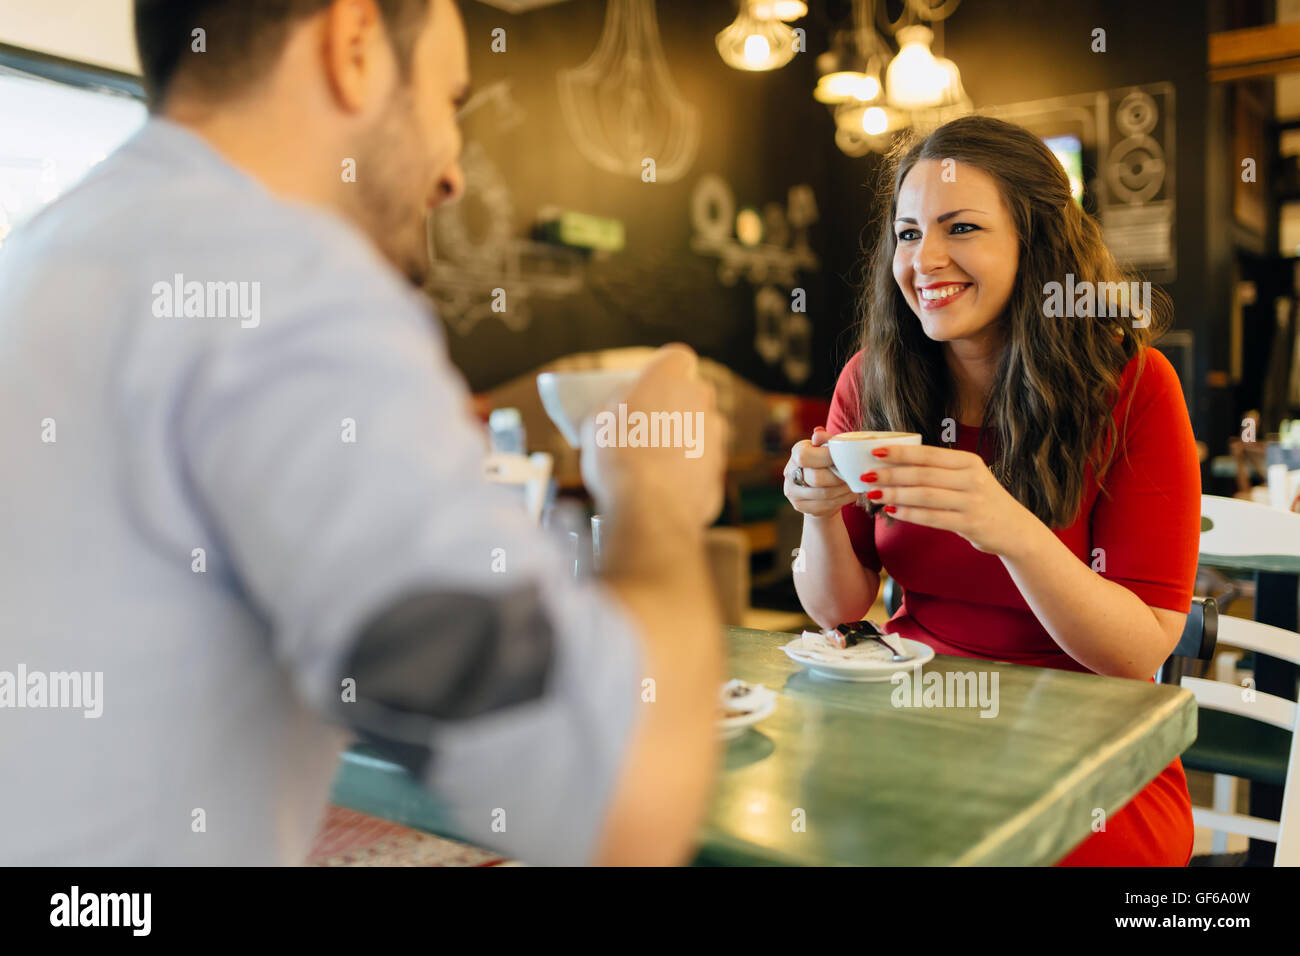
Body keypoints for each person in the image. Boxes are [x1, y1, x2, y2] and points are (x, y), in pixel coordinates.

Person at [0, 0, 727, 865]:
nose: (453, 173)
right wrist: (654, 491)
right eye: (448, 103)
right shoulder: (285, 278)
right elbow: (622, 805)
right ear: (352, 47)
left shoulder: (45, 252)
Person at [784, 115, 1199, 866]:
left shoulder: (1133, 387)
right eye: (907, 234)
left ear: (1037, 243)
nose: (924, 259)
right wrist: (819, 513)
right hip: (910, 712)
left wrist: (1007, 527)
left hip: (1088, 740)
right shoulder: (871, 381)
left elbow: (1138, 651)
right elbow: (839, 610)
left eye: (961, 227)